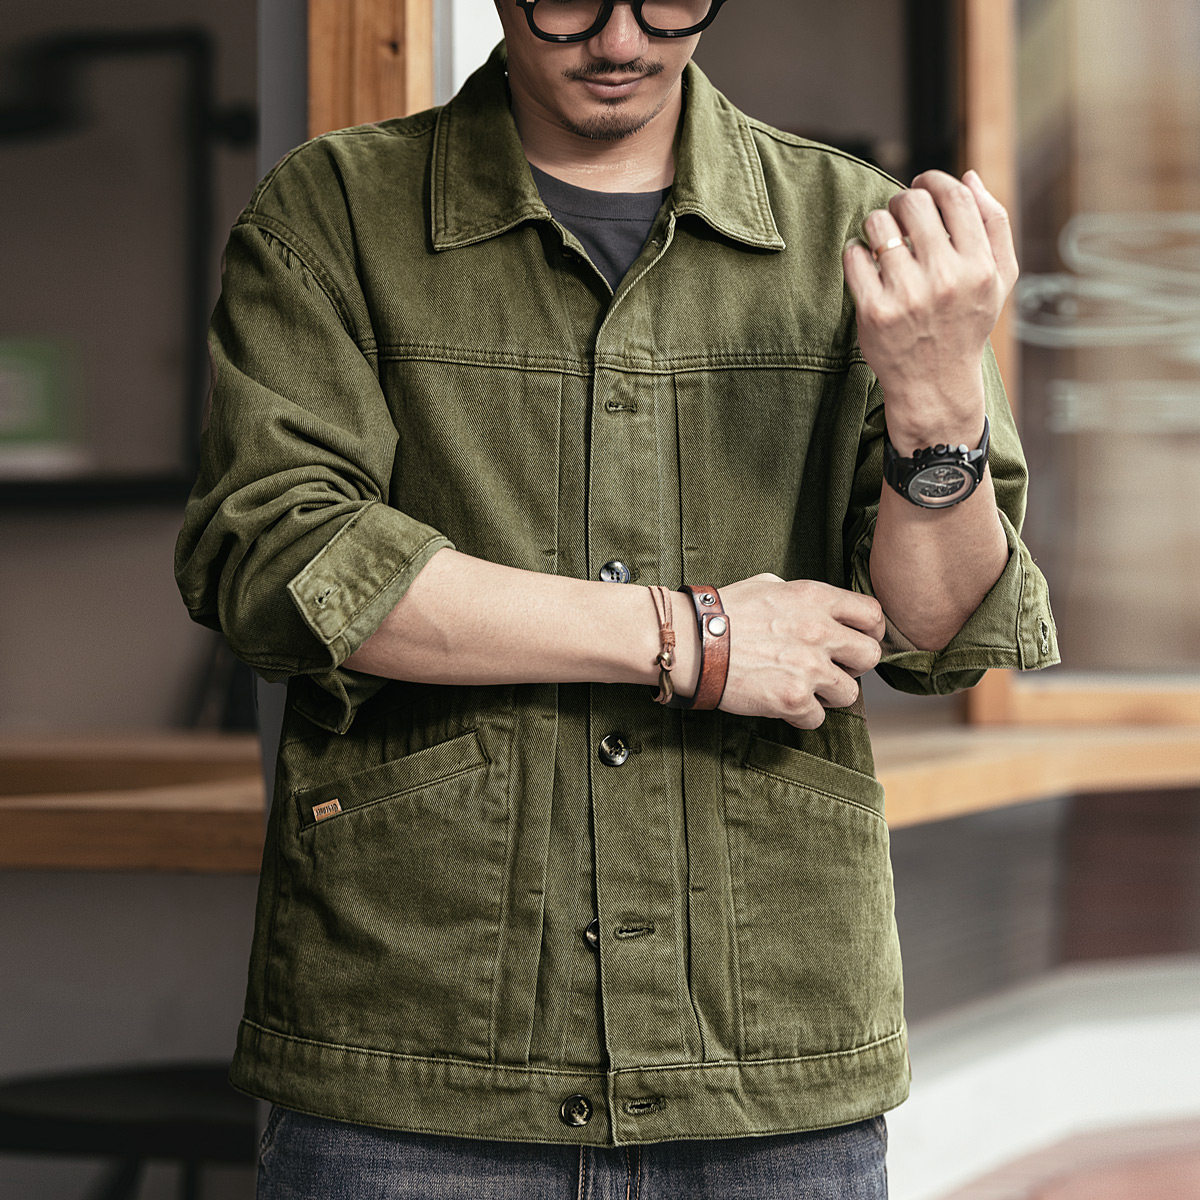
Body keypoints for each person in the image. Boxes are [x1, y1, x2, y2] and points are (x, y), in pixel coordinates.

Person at [175, 1, 1059, 1195]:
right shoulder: (333, 212)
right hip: (419, 1043)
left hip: (765, 1044)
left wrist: (940, 397)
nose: (623, 39)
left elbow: (936, 630)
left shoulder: (851, 227)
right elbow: (281, 559)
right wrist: (690, 637)